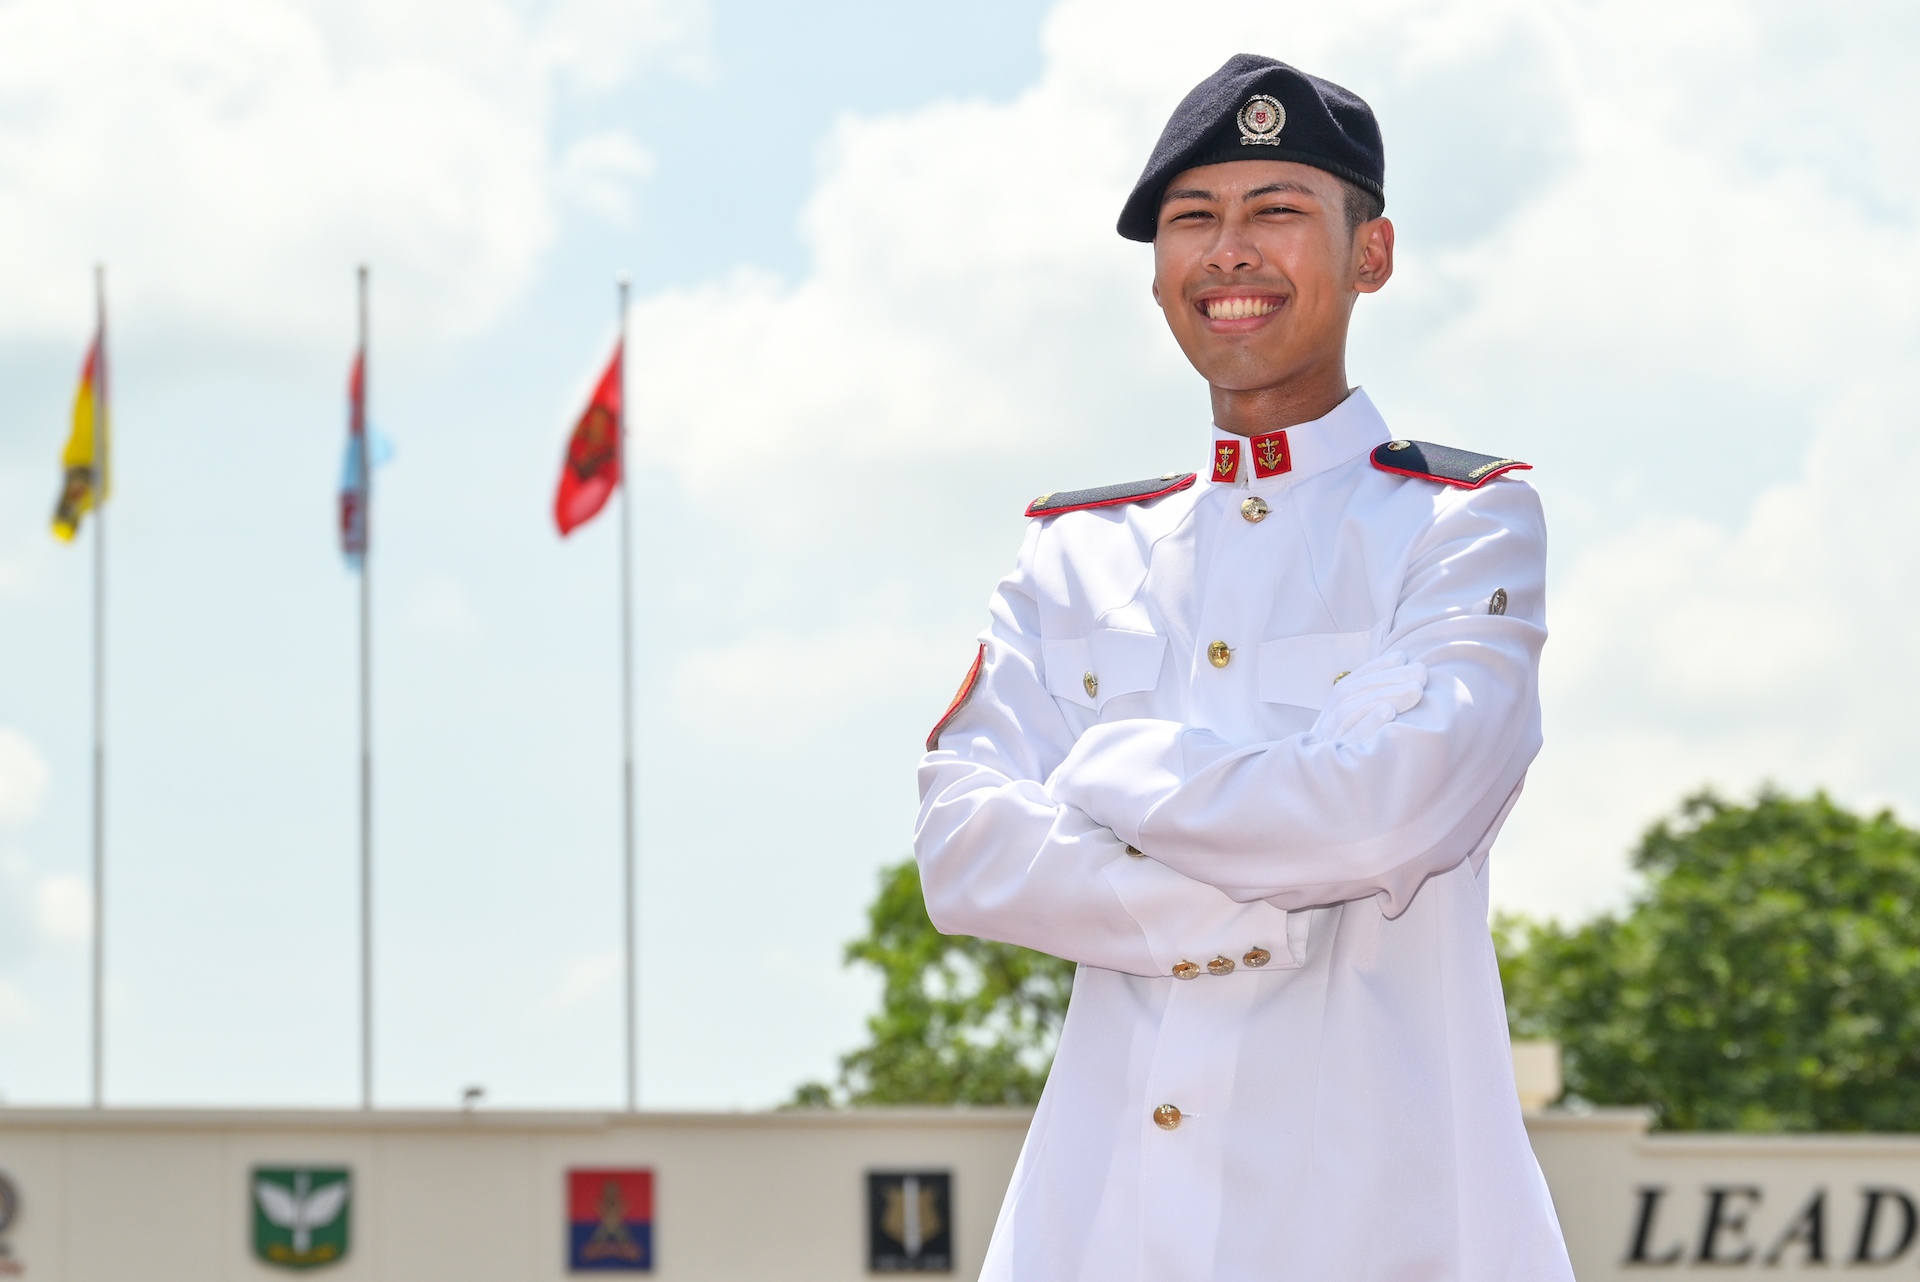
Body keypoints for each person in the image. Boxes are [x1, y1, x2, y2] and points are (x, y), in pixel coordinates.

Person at [915, 53, 1576, 1281]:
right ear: (1157, 270)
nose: (1229, 253)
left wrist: (1108, 772)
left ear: (1372, 253)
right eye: (1192, 219)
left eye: (1276, 210)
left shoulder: (1460, 524)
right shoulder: (1080, 551)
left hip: (1379, 1232)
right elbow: (962, 850)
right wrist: (1220, 913)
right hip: (1093, 1239)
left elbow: (1388, 812)